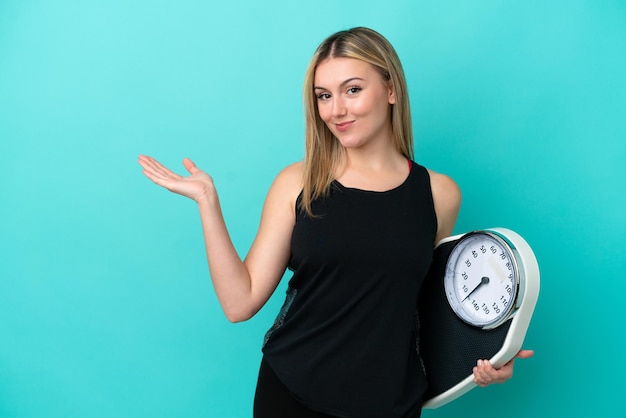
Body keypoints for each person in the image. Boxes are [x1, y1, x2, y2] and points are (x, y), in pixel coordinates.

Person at [138, 27, 533, 418]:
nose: (335, 110)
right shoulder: (298, 183)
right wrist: (208, 202)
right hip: (292, 397)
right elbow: (239, 302)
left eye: (353, 90)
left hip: (391, 405)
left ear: (391, 90)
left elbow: (420, 307)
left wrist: (486, 355)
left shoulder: (439, 194)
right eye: (324, 96)